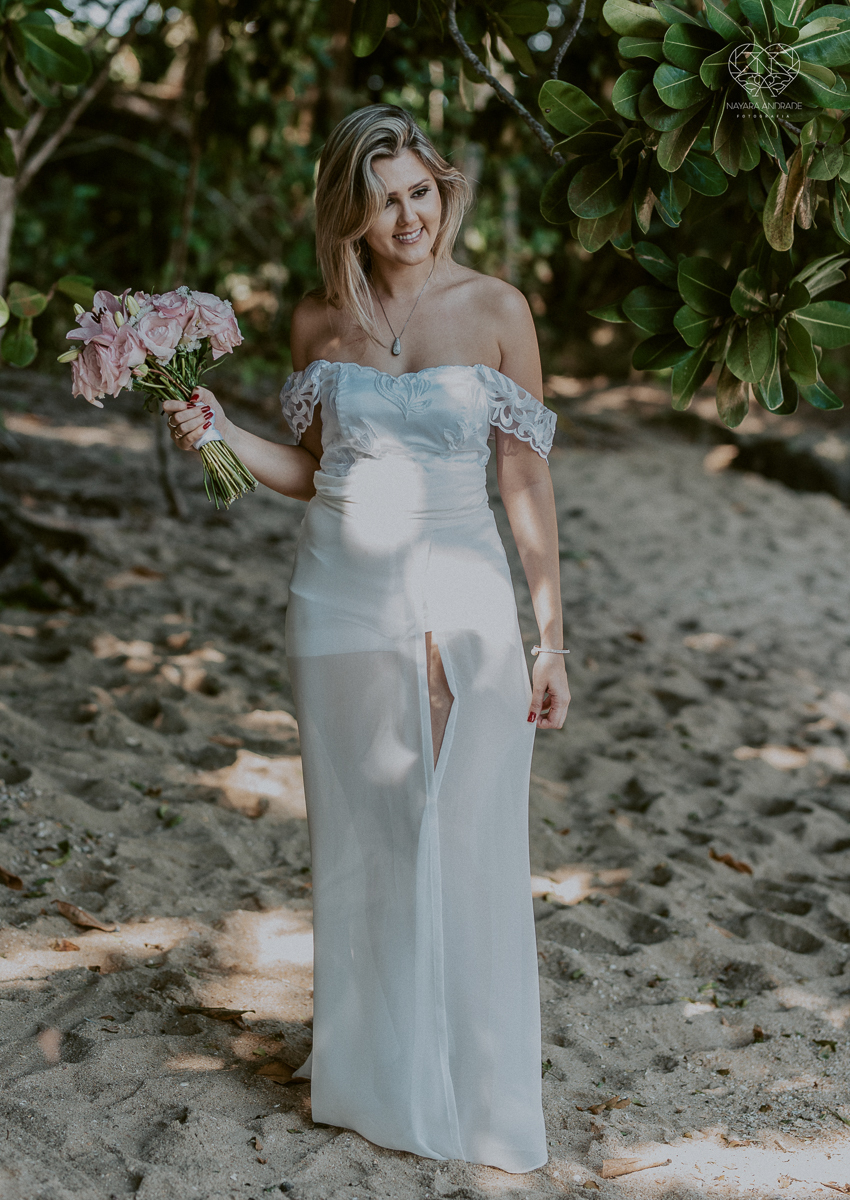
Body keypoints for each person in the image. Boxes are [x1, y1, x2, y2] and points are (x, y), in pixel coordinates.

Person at [163, 104, 570, 1175]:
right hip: (338, 591)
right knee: (366, 837)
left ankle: (472, 1076)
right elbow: (313, 468)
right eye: (384, 198)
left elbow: (523, 474)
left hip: (467, 584)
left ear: (445, 191)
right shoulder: (316, 323)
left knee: (465, 823)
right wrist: (222, 434)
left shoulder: (494, 309)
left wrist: (550, 637)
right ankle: (374, 1077)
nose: (408, 217)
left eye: (421, 192)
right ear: (348, 209)